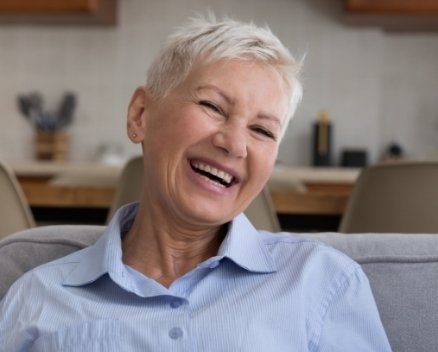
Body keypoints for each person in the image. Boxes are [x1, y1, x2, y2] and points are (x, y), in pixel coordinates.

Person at [0, 14, 391, 351]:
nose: (234, 143)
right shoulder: (38, 298)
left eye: (262, 130)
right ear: (140, 114)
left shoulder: (323, 282)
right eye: (212, 106)